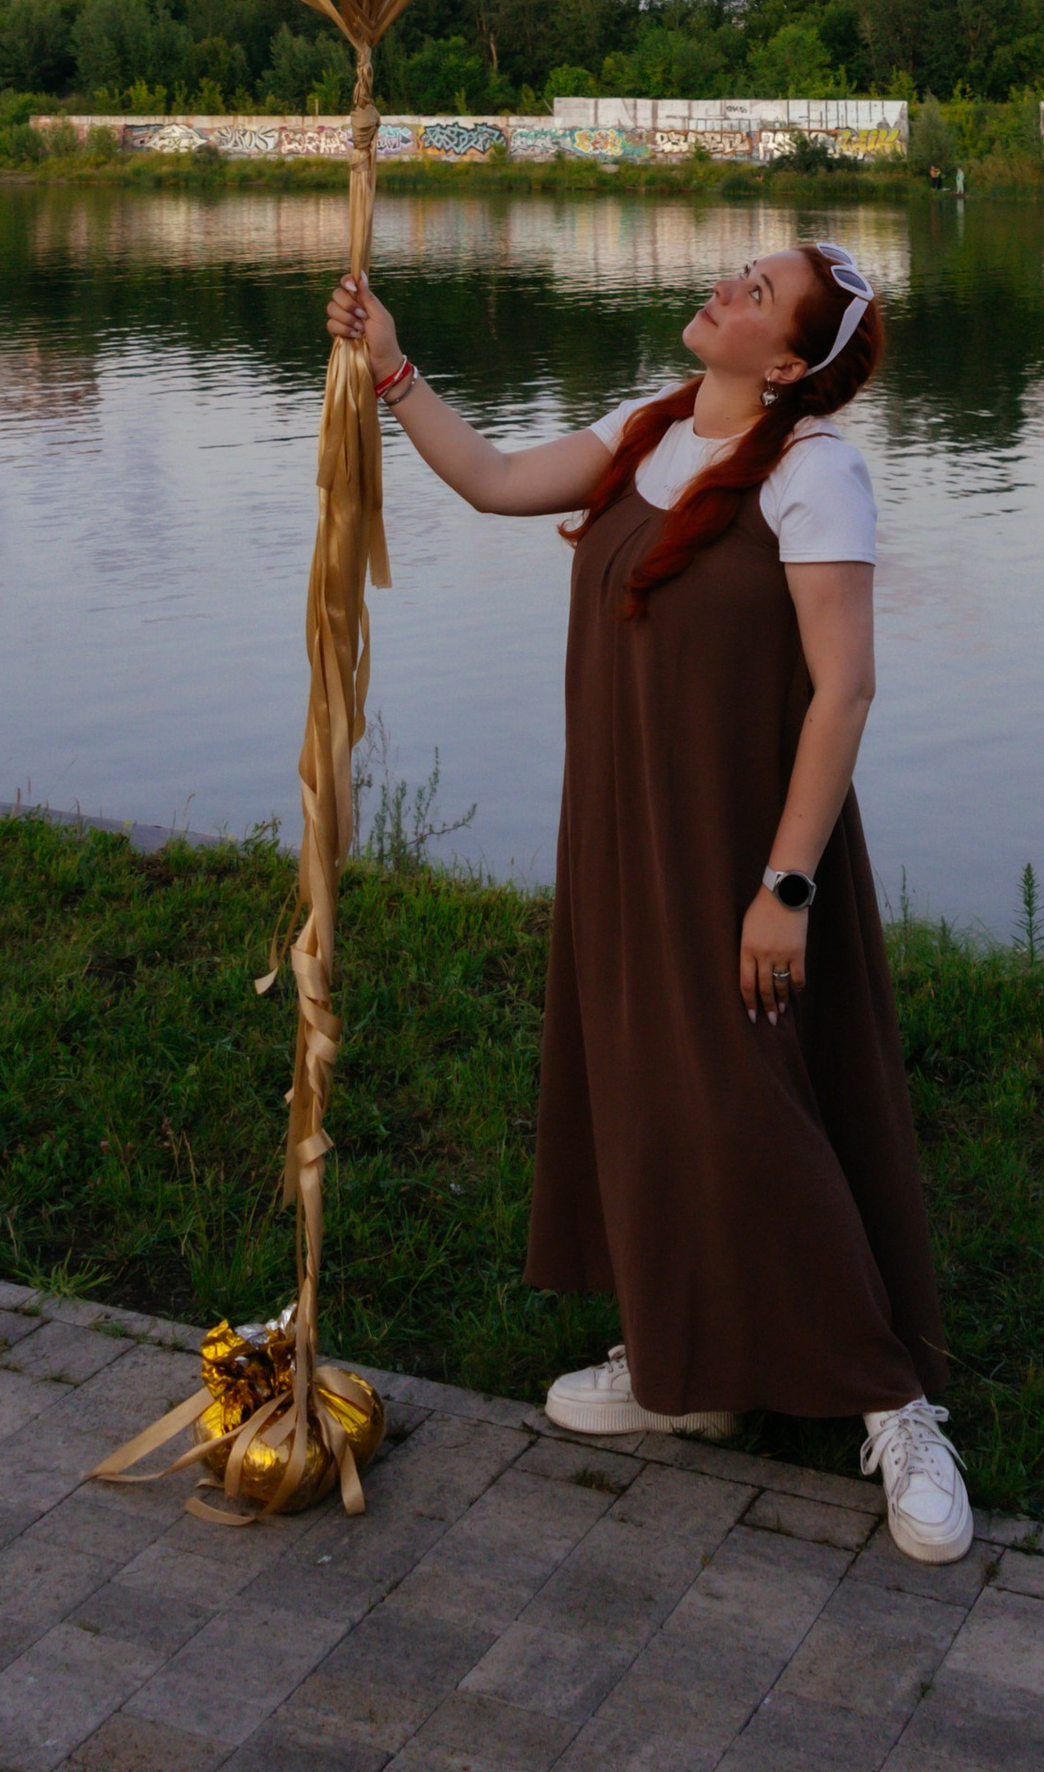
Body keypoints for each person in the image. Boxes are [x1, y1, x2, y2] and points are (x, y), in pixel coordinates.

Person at [324, 237, 972, 1565]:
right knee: (650, 1085)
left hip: (740, 843)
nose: (727, 287)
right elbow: (498, 481)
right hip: (628, 825)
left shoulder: (813, 473)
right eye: (740, 271)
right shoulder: (651, 428)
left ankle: (895, 1401)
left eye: (757, 293)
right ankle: (689, 1365)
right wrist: (391, 368)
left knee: (754, 1102)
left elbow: (844, 689)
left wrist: (784, 886)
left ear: (785, 363)